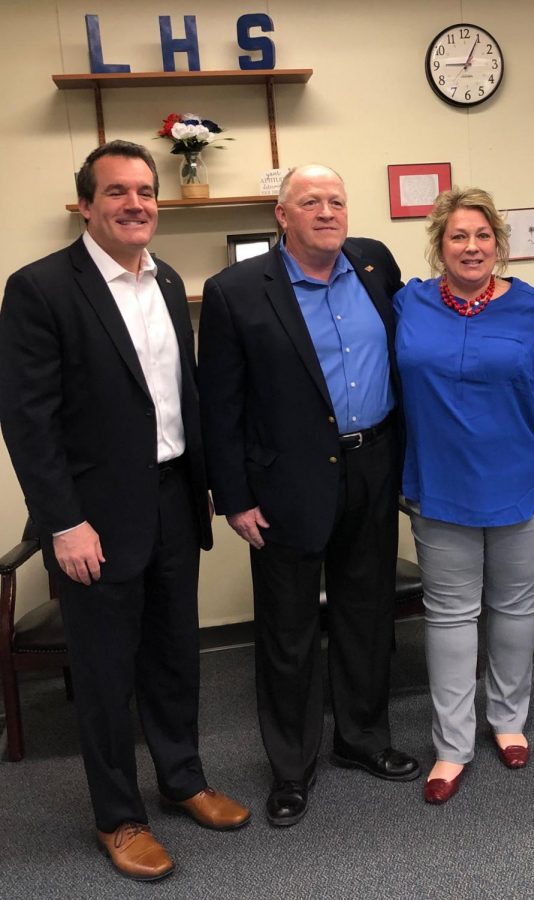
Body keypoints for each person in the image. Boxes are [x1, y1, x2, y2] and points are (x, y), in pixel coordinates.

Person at [0, 141, 249, 881]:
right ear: (87, 204)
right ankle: (118, 817)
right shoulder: (41, 288)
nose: (136, 204)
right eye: (117, 193)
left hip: (174, 499)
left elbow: (177, 395)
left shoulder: (168, 280)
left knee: (176, 654)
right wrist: (61, 521)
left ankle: (183, 780)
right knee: (106, 673)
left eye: (145, 191)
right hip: (94, 517)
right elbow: (28, 419)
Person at [198, 164, 420, 828]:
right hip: (286, 484)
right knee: (289, 633)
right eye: (310, 202)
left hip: (373, 466)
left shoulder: (376, 265)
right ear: (282, 216)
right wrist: (233, 497)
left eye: (337, 200)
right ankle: (291, 769)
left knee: (365, 614)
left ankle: (362, 739)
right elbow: (220, 405)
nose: (327, 211)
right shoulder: (236, 291)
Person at [394, 187, 534, 804]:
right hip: (439, 485)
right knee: (449, 616)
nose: (471, 247)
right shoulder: (407, 303)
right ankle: (451, 745)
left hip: (519, 480)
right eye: (457, 236)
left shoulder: (533, 308)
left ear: (498, 244)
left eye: (482, 236)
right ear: (439, 245)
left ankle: (508, 718)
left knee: (517, 607)